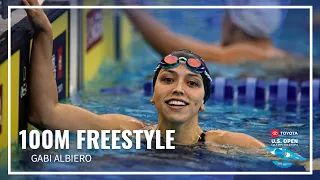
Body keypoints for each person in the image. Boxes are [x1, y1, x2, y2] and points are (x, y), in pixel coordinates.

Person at [22, 0, 318, 171]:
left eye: (192, 83)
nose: (178, 89)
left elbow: (299, 164)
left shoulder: (229, 143)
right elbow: (45, 114)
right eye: (167, 79)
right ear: (152, 95)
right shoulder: (127, 131)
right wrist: (44, 34)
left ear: (203, 101)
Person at [118, 0, 287, 64]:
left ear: (235, 23)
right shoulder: (273, 53)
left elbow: (175, 48)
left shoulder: (248, 52)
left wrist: (130, 5)